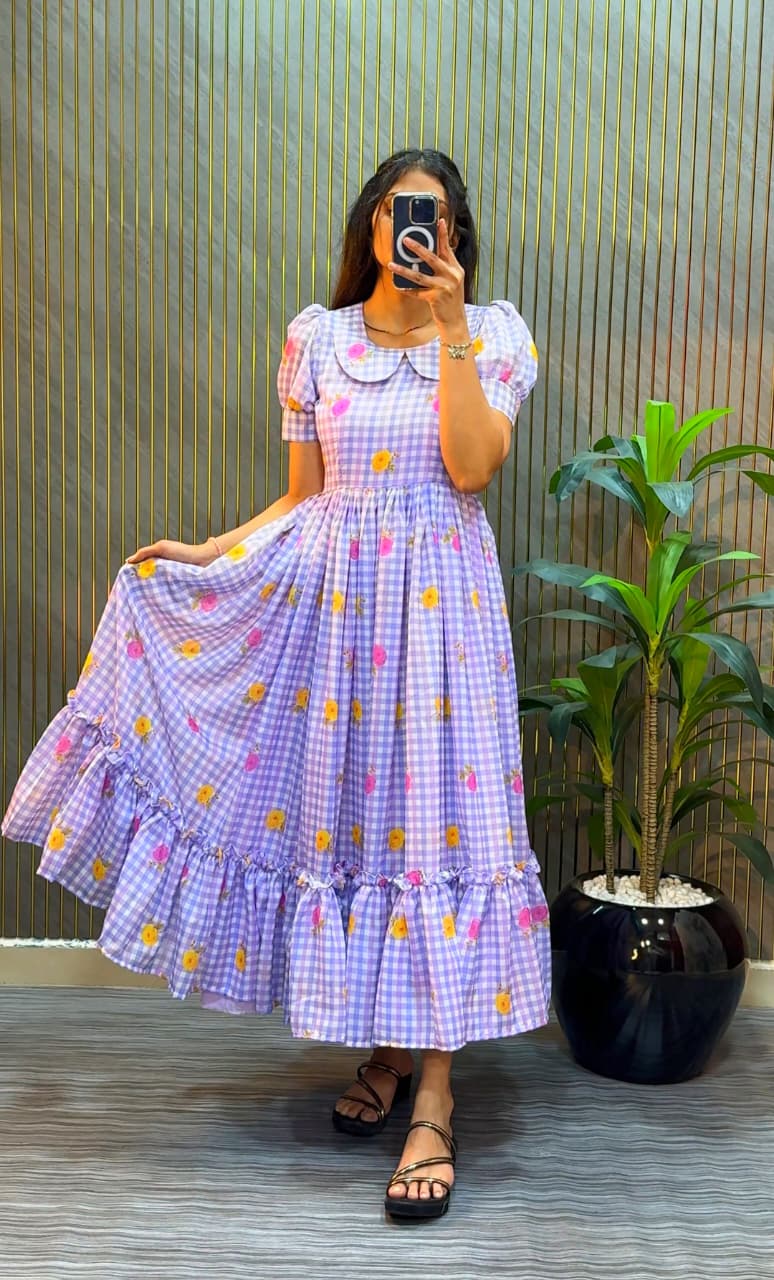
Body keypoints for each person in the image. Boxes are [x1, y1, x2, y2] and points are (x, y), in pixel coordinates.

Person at [1, 147, 551, 1221]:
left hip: (445, 627)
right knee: (360, 835)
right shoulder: (317, 340)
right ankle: (389, 1045)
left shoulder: (492, 334)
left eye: (433, 216)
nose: (414, 230)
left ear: (455, 235)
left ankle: (435, 1095)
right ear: (371, 225)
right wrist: (211, 551)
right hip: (337, 624)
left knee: (438, 836)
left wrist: (451, 330)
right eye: (398, 212)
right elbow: (305, 496)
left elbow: (473, 466)